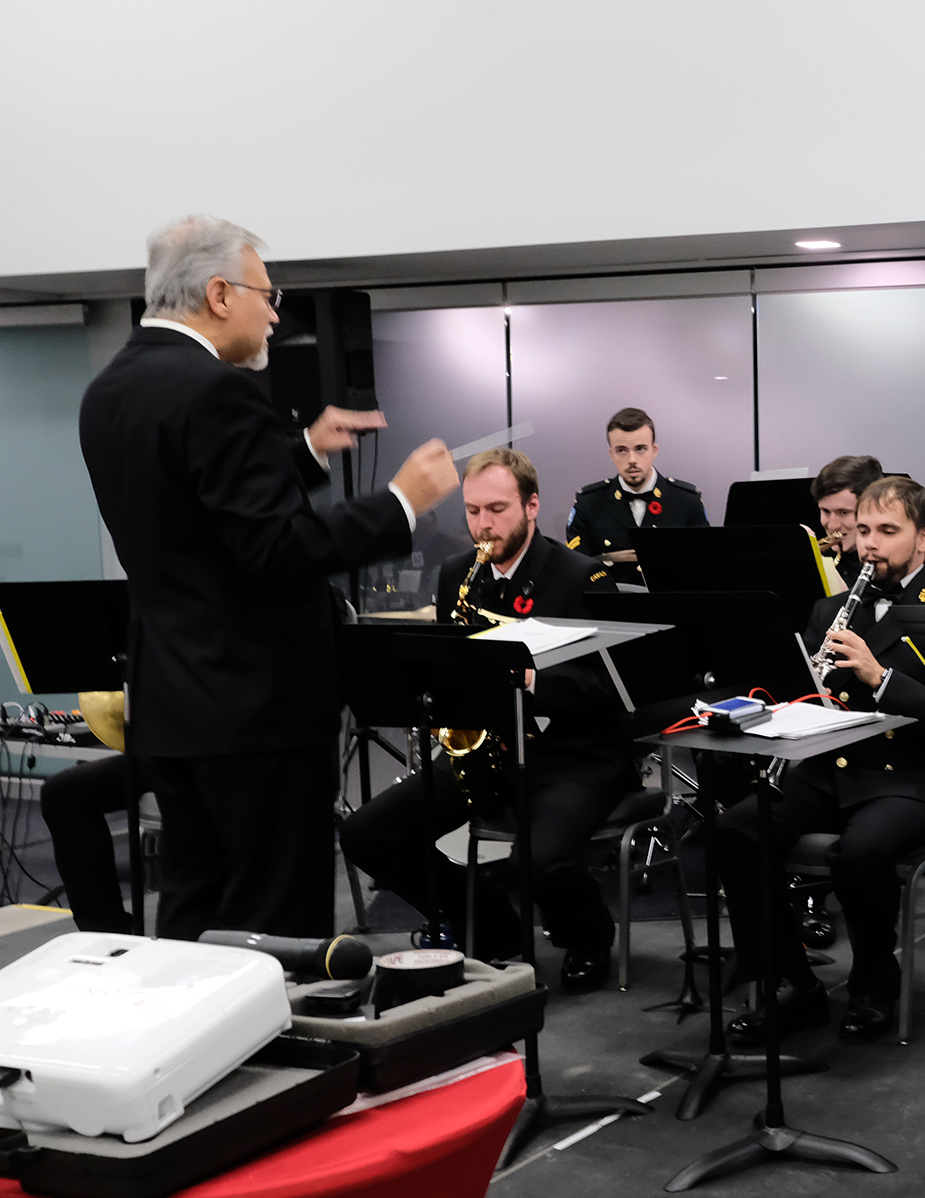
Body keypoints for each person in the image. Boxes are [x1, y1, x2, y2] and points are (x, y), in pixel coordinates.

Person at [78, 215, 458, 940]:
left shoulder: (110, 391)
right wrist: (400, 503)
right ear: (219, 294)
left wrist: (305, 451)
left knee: (194, 904)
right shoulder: (217, 391)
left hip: (175, 701)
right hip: (258, 709)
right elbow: (274, 546)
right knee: (275, 917)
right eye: (267, 294)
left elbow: (197, 509)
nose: (277, 314)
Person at [341, 448, 633, 991]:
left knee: (540, 861)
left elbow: (614, 688)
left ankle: (590, 935)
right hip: (491, 745)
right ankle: (492, 923)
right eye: (473, 511)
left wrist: (531, 679)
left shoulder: (581, 575)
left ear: (531, 506)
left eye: (497, 510)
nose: (483, 525)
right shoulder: (458, 572)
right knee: (365, 834)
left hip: (574, 753)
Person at [713, 476, 925, 1046]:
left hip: (920, 779)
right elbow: (807, 698)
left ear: (923, 537)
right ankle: (792, 983)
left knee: (859, 851)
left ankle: (874, 981)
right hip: (835, 767)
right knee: (737, 830)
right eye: (863, 530)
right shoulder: (830, 609)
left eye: (887, 531)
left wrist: (880, 678)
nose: (870, 544)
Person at [565, 406, 708, 563]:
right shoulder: (589, 503)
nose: (632, 459)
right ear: (611, 454)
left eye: (640, 449)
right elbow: (577, 566)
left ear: (654, 450)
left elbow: (704, 562)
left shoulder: (686, 501)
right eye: (621, 450)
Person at [38, 753, 143, 934]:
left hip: (192, 759)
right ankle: (104, 930)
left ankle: (182, 928)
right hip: (159, 757)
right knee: (59, 793)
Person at [812, 453, 886, 589]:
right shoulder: (818, 560)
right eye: (826, 511)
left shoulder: (891, 569)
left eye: (844, 513)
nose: (833, 525)